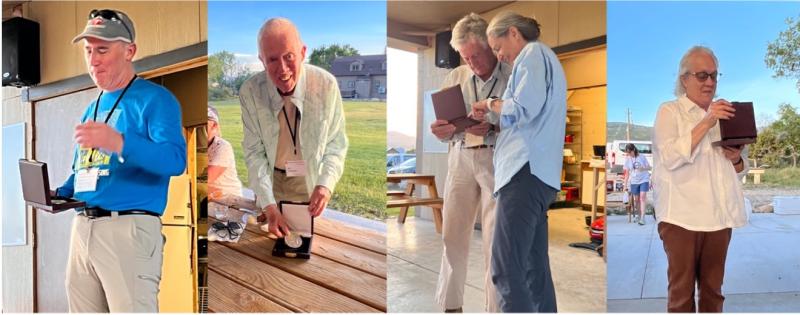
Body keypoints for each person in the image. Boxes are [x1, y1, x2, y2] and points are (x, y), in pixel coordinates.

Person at [56, 9, 187, 312]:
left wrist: (119, 142)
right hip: (83, 228)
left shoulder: (156, 100)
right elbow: (85, 168)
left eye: (102, 49)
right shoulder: (93, 107)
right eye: (88, 51)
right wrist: (61, 191)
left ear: (130, 51)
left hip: (128, 229)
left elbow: (175, 160)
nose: (93, 59)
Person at [472, 11, 566, 312]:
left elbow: (525, 106)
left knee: (505, 269)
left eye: (498, 48)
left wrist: (490, 103)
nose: (500, 57)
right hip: (538, 175)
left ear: (513, 33)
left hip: (523, 173)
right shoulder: (547, 60)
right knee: (533, 270)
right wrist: (491, 116)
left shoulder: (533, 53)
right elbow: (528, 114)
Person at [652, 46, 748, 312]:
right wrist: (707, 122)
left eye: (714, 76)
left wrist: (736, 158)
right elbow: (670, 157)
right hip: (681, 217)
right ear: (684, 79)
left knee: (713, 294)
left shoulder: (725, 115)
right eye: (702, 75)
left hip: (718, 218)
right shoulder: (669, 112)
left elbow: (740, 168)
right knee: (681, 296)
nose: (710, 82)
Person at [430, 13, 511, 313]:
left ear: (490, 47)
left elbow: (523, 124)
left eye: (476, 55)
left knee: (495, 242)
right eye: (465, 57)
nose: (472, 63)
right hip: (461, 156)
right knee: (452, 235)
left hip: (496, 159)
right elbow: (443, 129)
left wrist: (493, 126)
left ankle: (495, 308)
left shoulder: (511, 75)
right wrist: (442, 130)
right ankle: (450, 307)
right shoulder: (455, 78)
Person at [239, 17, 348, 238]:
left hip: (307, 179)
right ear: (261, 60)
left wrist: (325, 185)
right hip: (270, 179)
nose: (283, 69)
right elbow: (254, 153)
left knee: (304, 242)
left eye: (289, 57)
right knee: (266, 244)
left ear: (302, 52)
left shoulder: (326, 85)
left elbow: (336, 143)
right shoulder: (250, 91)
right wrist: (269, 206)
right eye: (272, 60)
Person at [207, 105, 242, 198]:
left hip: (229, 199)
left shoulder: (223, 147)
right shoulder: (198, 146)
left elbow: (207, 179)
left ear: (214, 125)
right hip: (212, 196)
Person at [623, 143, 651, 225]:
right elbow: (627, 174)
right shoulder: (628, 159)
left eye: (630, 152)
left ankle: (642, 217)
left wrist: (643, 168)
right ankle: (639, 216)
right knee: (636, 199)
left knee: (642, 197)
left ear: (633, 150)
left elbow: (649, 167)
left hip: (644, 179)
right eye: (627, 153)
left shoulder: (642, 157)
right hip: (634, 181)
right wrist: (625, 185)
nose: (629, 154)